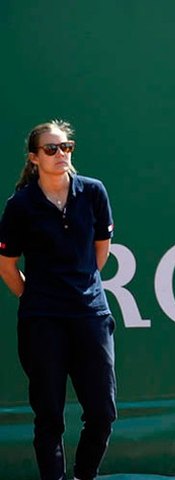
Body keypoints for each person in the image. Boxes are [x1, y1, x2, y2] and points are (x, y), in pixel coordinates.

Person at [0, 120, 117, 480]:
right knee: (49, 415)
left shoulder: (94, 192)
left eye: (66, 147)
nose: (60, 154)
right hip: (42, 321)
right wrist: (37, 299)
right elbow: (7, 267)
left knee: (102, 413)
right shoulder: (20, 205)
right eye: (51, 149)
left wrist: (80, 290)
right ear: (34, 158)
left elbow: (101, 252)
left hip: (91, 317)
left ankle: (84, 476)